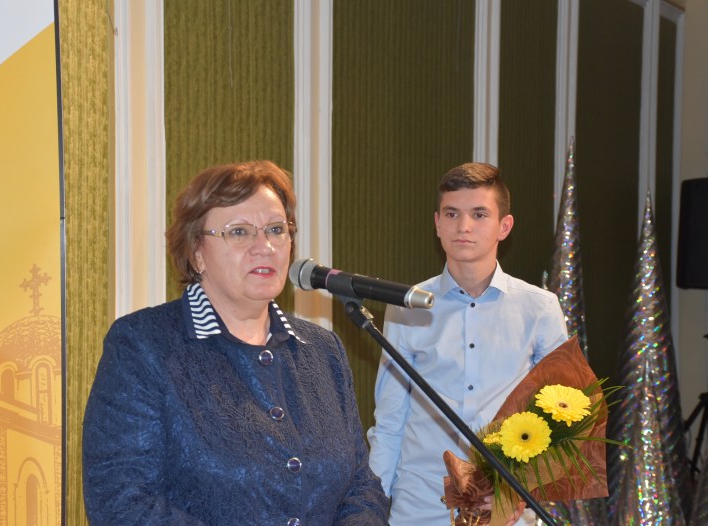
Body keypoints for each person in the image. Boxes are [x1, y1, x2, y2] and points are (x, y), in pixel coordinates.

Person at [83, 160, 389, 525]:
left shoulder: (323, 350)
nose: (265, 246)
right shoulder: (143, 346)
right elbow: (121, 502)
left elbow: (360, 485)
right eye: (240, 232)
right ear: (196, 252)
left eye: (276, 229)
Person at [367, 162, 568, 525]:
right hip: (419, 508)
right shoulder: (407, 307)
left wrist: (520, 489)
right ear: (437, 223)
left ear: (504, 226)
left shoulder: (540, 308)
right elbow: (390, 422)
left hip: (506, 509)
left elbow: (560, 419)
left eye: (479, 214)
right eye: (452, 214)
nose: (463, 226)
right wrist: (370, 509)